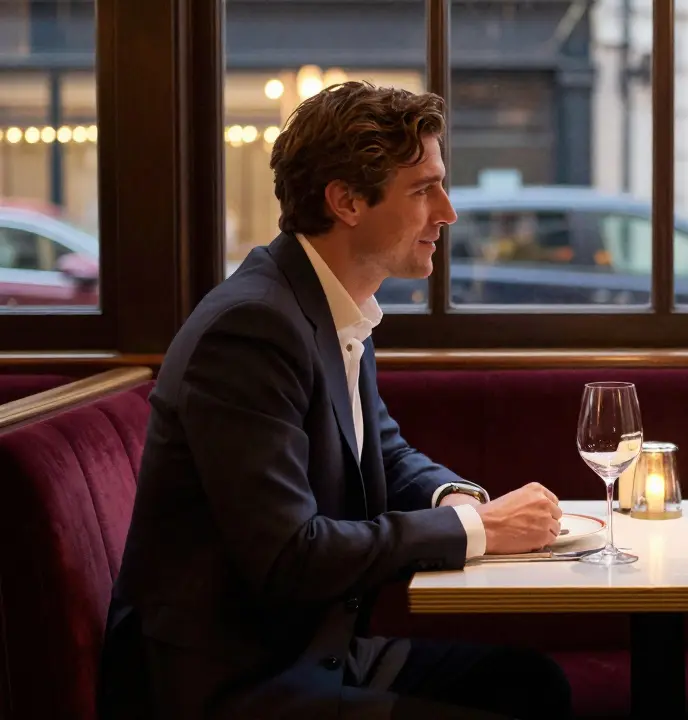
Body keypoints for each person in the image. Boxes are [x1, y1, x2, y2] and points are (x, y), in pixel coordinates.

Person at [98, 82, 573, 720]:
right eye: (423, 189)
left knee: (529, 684)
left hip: (306, 651)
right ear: (346, 201)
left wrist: (454, 499)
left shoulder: (331, 304)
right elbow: (290, 555)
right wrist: (479, 530)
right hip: (228, 679)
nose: (448, 212)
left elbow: (384, 451)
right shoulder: (250, 329)